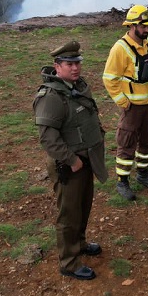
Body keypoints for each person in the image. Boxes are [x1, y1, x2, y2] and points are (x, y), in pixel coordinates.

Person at [33, 40, 110, 280]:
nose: (75, 68)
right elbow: (48, 137)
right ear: (57, 66)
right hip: (70, 165)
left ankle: (80, 244)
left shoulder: (77, 87)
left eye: (77, 63)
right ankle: (69, 262)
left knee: (83, 207)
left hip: (86, 159)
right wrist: (71, 160)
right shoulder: (52, 96)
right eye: (69, 64)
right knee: (68, 215)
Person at [102, 4, 148, 200]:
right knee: (127, 142)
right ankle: (122, 181)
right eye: (143, 26)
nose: (147, 30)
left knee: (146, 141)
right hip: (131, 107)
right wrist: (122, 101)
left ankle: (143, 175)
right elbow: (109, 78)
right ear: (132, 26)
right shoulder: (120, 48)